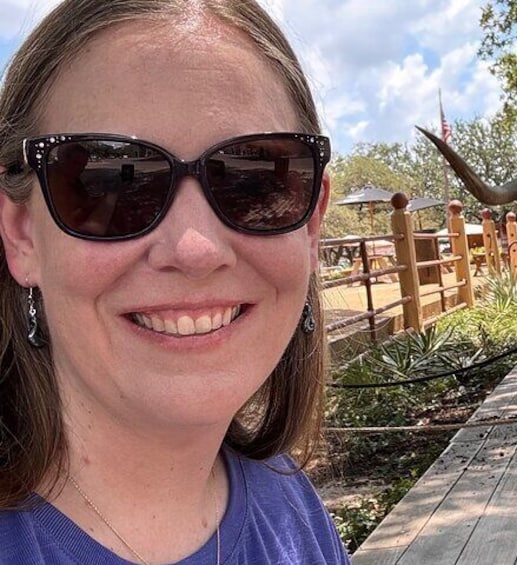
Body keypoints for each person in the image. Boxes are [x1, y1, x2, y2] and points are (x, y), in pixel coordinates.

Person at [0, 1, 349, 563]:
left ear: (311, 224)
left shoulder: (291, 508)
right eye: (110, 182)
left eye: (255, 183)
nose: (195, 250)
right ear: (21, 234)